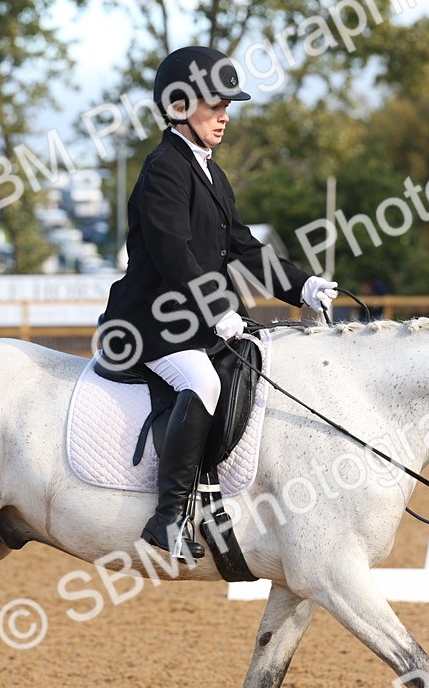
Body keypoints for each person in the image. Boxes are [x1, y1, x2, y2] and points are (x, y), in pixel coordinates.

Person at [102, 46, 337, 563]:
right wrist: (217, 309)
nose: (225, 115)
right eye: (215, 105)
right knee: (203, 381)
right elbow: (172, 254)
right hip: (149, 325)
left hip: (192, 318)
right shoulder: (164, 167)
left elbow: (244, 249)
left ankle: (214, 494)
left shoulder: (210, 172)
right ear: (180, 106)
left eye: (228, 104)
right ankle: (167, 518)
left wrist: (303, 287)